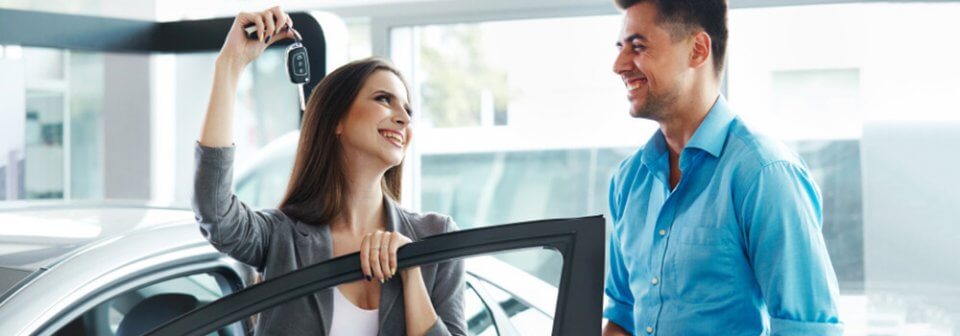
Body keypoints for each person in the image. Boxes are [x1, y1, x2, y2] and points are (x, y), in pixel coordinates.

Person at [193, 7, 465, 336]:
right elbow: (215, 213)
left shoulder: (435, 237)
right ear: (336, 120)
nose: (403, 118)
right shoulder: (283, 239)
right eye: (384, 99)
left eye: (407, 109)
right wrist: (229, 65)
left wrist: (411, 270)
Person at [602, 1, 843, 335]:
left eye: (638, 47)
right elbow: (622, 319)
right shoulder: (628, 182)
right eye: (620, 48)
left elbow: (807, 330)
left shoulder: (764, 173)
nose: (619, 65)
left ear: (698, 50)